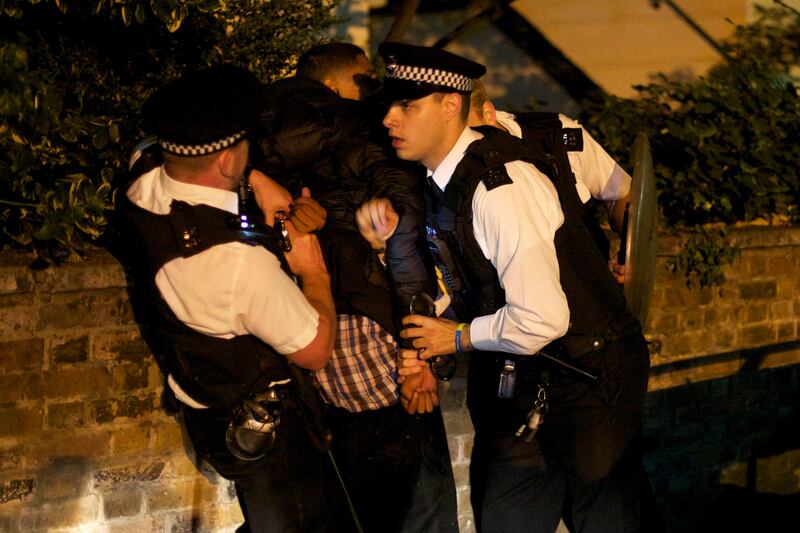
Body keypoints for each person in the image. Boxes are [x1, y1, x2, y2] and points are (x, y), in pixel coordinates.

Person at [360, 42, 652, 532]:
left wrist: (452, 338)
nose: (389, 118)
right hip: (524, 378)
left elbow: (542, 317)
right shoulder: (443, 181)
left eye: (407, 105)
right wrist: (389, 251)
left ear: (451, 105)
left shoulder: (501, 187)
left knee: (606, 520)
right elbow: (463, 284)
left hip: (589, 379)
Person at [114, 65, 338, 532]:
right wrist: (313, 270)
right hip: (264, 429)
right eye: (244, 147)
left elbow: (144, 152)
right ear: (225, 160)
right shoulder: (238, 263)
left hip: (203, 405)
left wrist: (255, 179)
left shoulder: (140, 191)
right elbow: (315, 350)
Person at [249, 45, 458, 532]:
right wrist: (421, 354)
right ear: (338, 86)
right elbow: (407, 242)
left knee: (357, 511)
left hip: (312, 340)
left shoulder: (258, 143)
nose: (375, 94)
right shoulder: (368, 133)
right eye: (365, 80)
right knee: (423, 511)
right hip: (385, 345)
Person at [467, 79, 630, 279]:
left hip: (595, 293)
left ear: (488, 113)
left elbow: (621, 194)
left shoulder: (557, 133)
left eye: (466, 133)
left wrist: (630, 253)